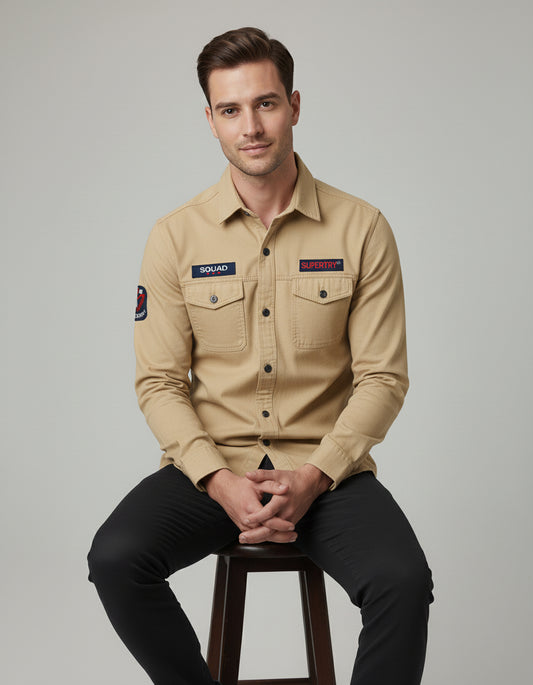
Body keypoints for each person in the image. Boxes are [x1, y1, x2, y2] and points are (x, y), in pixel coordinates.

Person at [87, 26, 435, 685]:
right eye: (230, 109)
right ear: (211, 120)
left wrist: (314, 476)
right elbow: (159, 382)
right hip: (211, 469)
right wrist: (218, 480)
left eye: (265, 103)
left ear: (294, 106)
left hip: (327, 472)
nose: (250, 126)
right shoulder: (174, 237)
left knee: (403, 581)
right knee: (115, 559)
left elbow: (383, 378)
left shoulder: (361, 228)